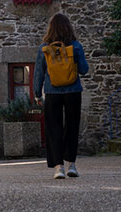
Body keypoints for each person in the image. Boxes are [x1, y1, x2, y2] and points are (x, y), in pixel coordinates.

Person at [33, 12, 89, 180]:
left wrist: (37, 94)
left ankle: (58, 168)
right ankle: (71, 164)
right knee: (72, 127)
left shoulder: (44, 48)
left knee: (53, 129)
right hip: (73, 92)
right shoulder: (76, 46)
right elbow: (84, 70)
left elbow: (38, 73)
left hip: (52, 92)